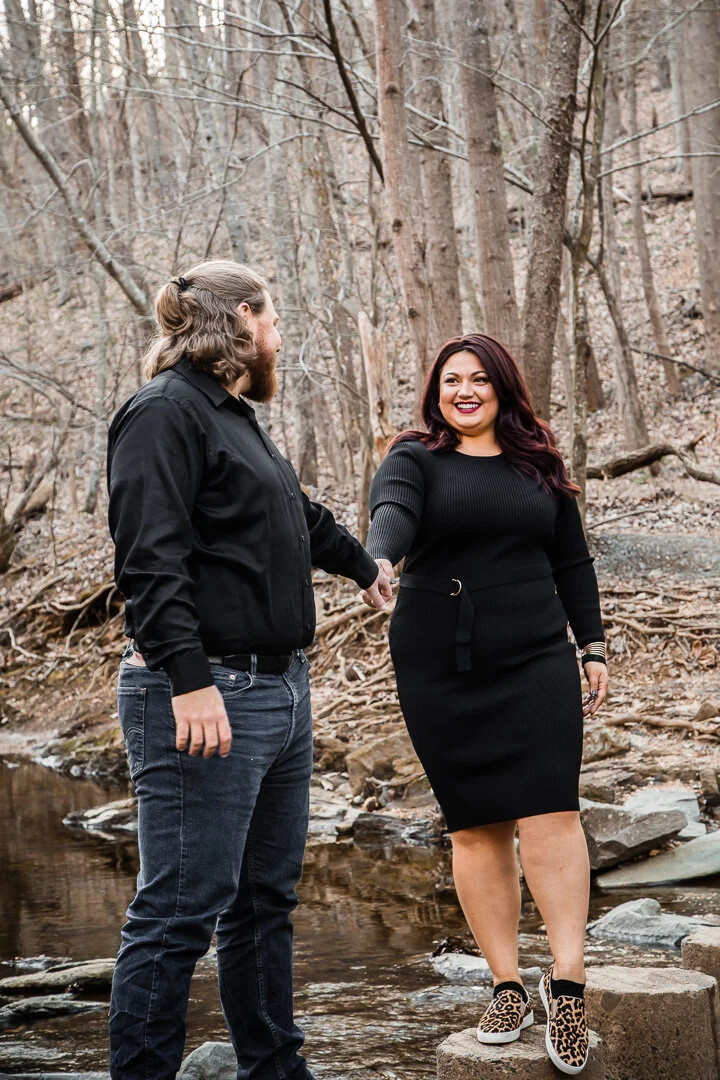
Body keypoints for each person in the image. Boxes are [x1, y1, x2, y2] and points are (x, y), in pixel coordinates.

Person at [106, 259, 392, 1080]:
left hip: (280, 690)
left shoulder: (230, 414)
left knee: (265, 903)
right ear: (238, 320)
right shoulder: (163, 413)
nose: (280, 334)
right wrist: (189, 680)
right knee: (178, 912)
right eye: (272, 317)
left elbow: (289, 511)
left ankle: (274, 1071)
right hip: (206, 692)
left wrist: (361, 565)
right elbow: (149, 562)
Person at [364, 334, 608, 1076]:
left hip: (535, 657)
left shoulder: (539, 465)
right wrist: (378, 557)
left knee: (552, 813)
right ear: (435, 392)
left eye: (478, 379)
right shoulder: (413, 458)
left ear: (502, 388)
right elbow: (393, 513)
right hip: (440, 662)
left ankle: (568, 983)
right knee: (474, 826)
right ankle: (507, 984)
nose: (463, 391)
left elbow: (572, 560)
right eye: (451, 380)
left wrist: (592, 646)